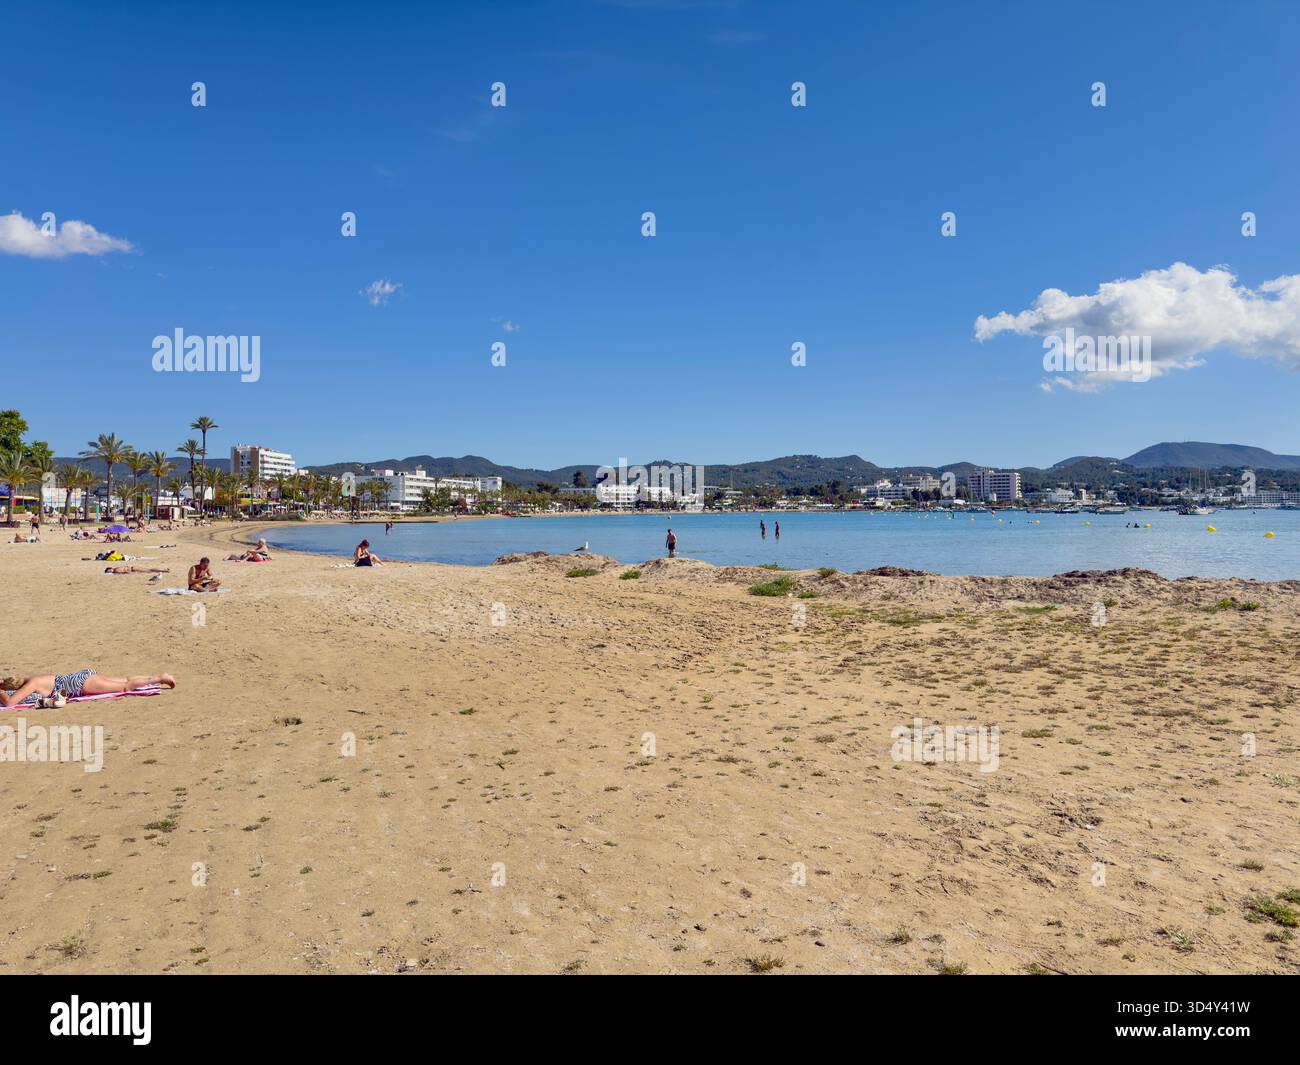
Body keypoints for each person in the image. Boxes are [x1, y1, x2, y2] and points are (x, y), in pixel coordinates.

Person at [1, 669, 177, 708]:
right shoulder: (30, 680)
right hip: (83, 677)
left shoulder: (32, 684)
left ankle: (160, 678)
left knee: (125, 687)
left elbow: (10, 703)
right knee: (125, 679)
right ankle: (157, 677)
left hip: (79, 684)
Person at [105, 565, 170, 574]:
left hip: (133, 569)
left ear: (111, 568)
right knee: (149, 569)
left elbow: (126, 571)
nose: (110, 572)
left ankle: (164, 570)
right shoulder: (117, 568)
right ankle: (164, 569)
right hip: (132, 567)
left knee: (149, 570)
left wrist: (133, 573)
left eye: (109, 571)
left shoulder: (116, 571)